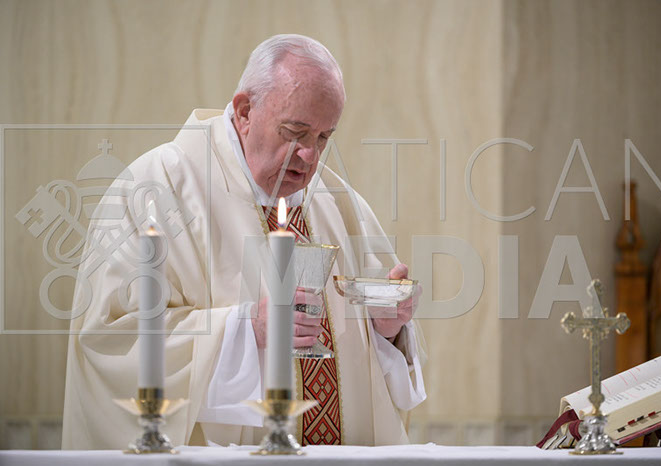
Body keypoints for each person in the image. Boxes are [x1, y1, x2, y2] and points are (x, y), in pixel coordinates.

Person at [62, 34, 426, 449]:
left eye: (324, 137)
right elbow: (109, 342)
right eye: (295, 132)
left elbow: (377, 373)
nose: (310, 156)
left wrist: (386, 331)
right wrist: (245, 330)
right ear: (244, 111)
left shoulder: (339, 201)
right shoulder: (154, 190)